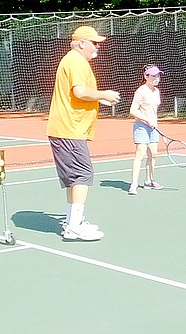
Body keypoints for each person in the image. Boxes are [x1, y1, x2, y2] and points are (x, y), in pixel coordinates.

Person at [46, 25, 121, 241]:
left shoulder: (74, 61)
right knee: (82, 175)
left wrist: (100, 98)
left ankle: (72, 222)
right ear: (81, 43)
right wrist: (104, 93)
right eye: (94, 43)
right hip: (70, 129)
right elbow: (79, 91)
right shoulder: (76, 60)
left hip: (69, 129)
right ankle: (74, 227)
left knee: (74, 178)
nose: (97, 47)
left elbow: (79, 94)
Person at [128, 65, 164, 195]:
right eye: (153, 76)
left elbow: (153, 111)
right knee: (140, 154)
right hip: (141, 127)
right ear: (146, 77)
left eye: (158, 76)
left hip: (153, 127)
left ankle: (149, 181)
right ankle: (133, 184)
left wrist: (153, 121)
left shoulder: (157, 91)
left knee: (153, 154)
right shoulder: (140, 91)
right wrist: (147, 120)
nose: (156, 78)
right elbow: (133, 111)